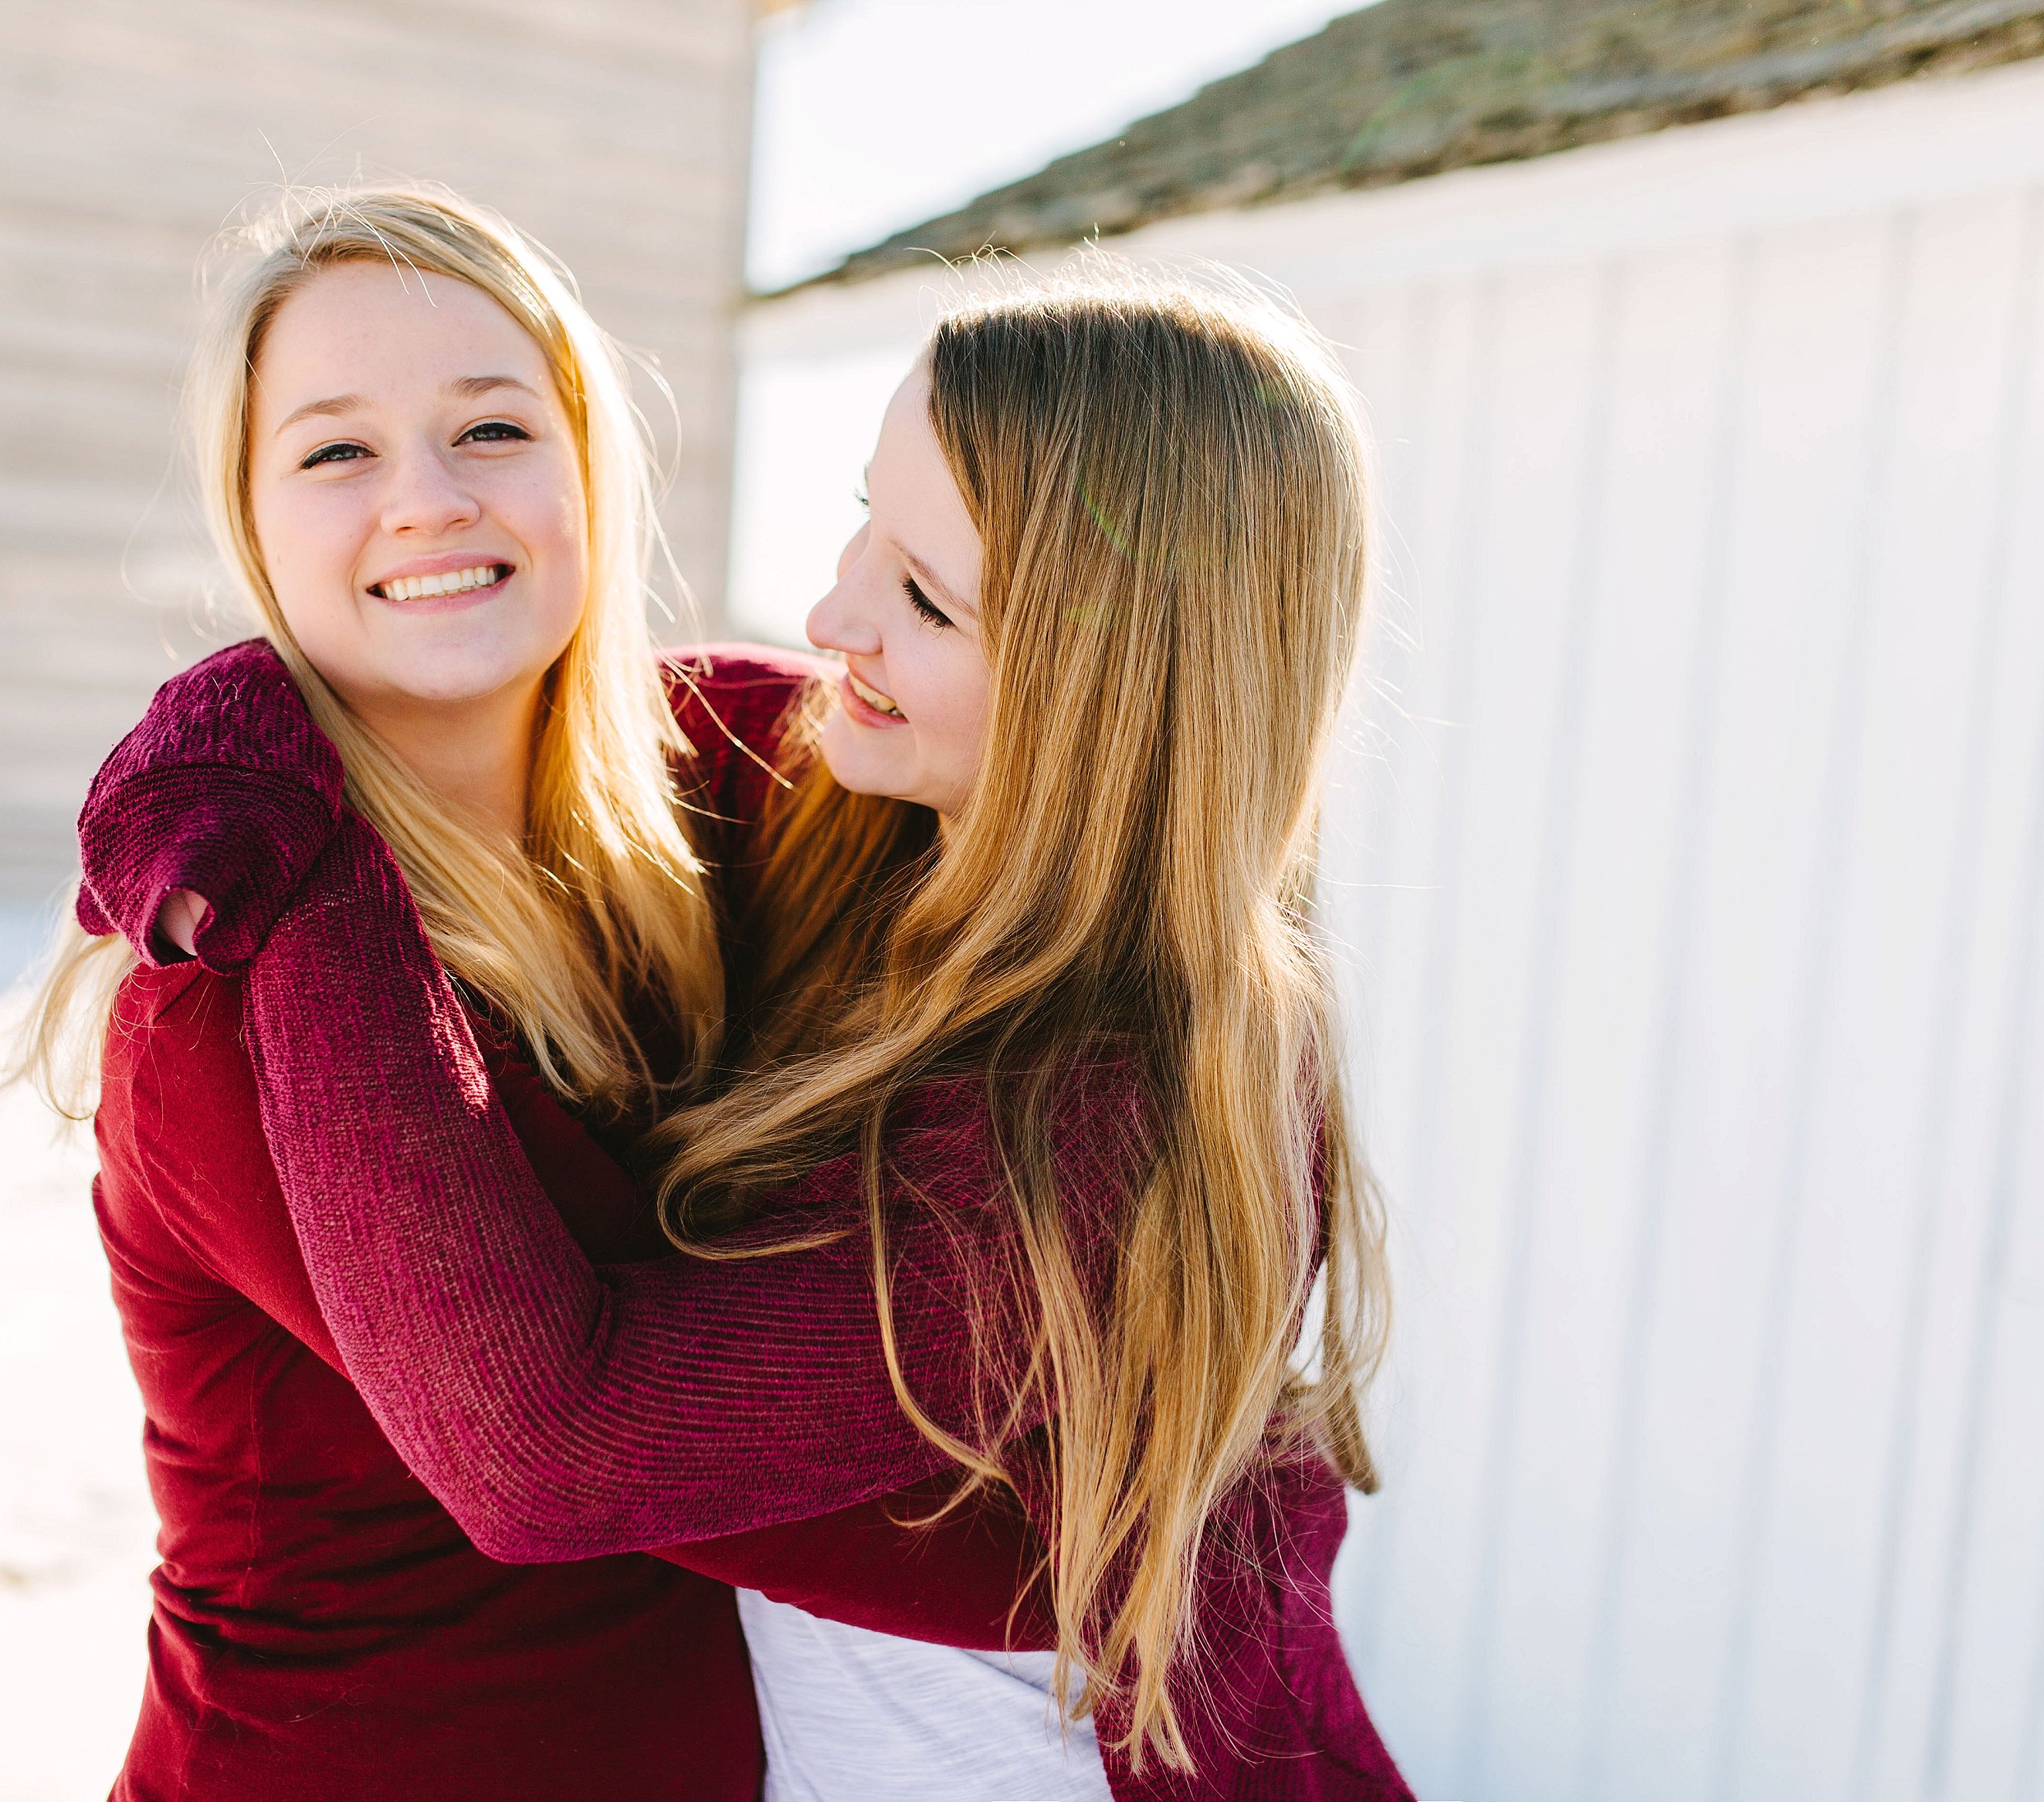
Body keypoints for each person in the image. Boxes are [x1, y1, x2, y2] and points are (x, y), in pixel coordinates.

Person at [80, 257, 1413, 1801]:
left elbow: (560, 1452)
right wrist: (236, 728)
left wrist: (1205, 1522)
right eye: (330, 449)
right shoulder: (252, 981)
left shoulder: (1101, 1097)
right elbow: (676, 722)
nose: (831, 611)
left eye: (921, 592)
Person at [24, 185, 1048, 1802]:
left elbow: (1046, 755)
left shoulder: (719, 799)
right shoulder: (233, 977)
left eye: (491, 428)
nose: (424, 500)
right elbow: (668, 1476)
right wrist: (1162, 1506)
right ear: (251, 517)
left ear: (589, 461)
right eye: (334, 451)